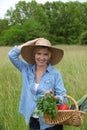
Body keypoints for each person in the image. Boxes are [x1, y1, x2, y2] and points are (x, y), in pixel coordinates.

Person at [8, 38, 67, 130]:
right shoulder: (26, 69)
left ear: (50, 56)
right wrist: (31, 42)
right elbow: (12, 55)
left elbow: (63, 96)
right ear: (34, 55)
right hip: (33, 120)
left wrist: (54, 98)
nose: (42, 57)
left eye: (45, 54)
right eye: (38, 53)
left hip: (51, 121)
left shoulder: (55, 74)